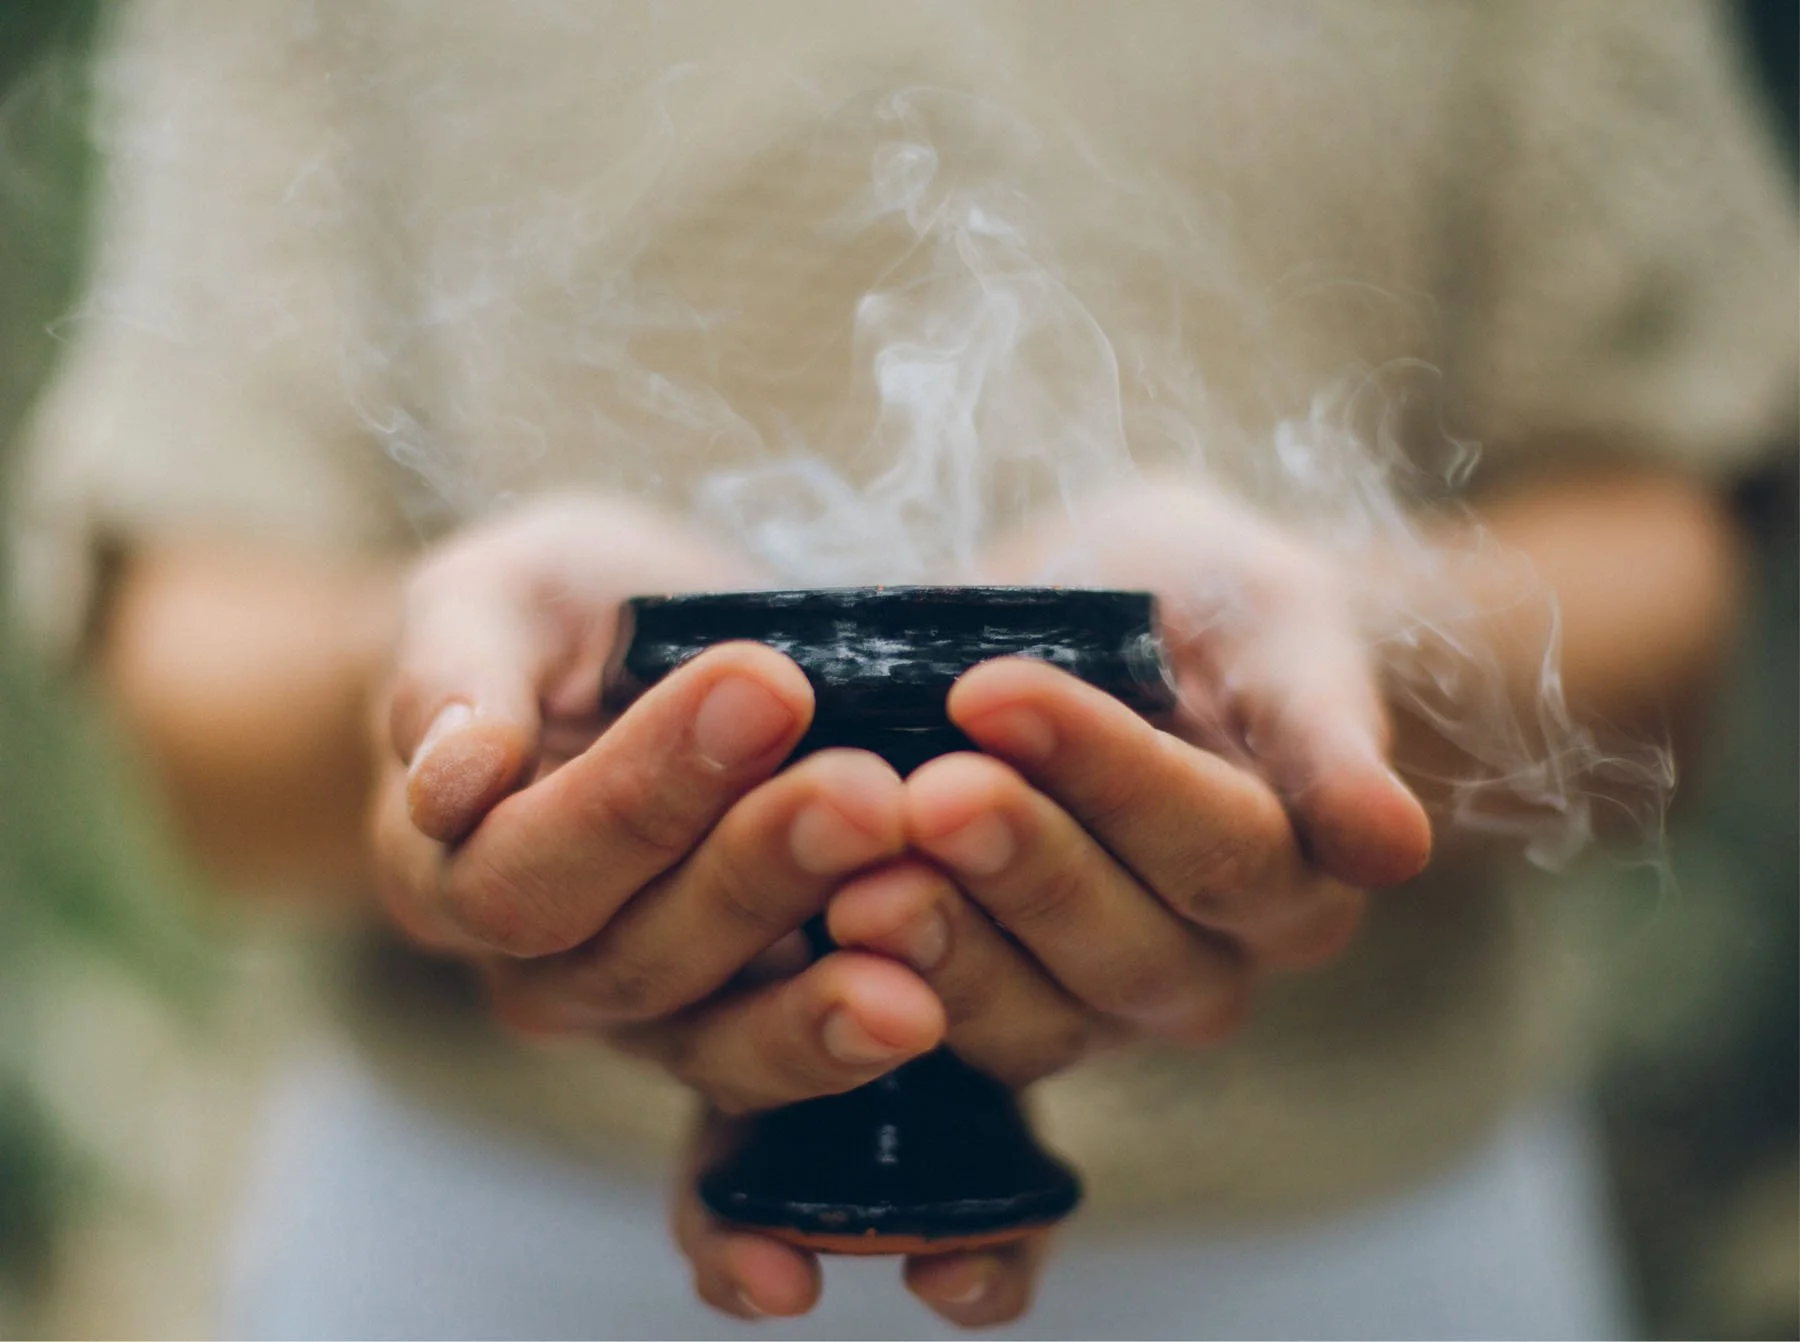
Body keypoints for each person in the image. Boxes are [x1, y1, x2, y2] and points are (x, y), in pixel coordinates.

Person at [9, 2, 1795, 1337]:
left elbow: (1662, 598)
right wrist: (434, 717)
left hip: (1357, 1258)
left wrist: (1335, 676)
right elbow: (201, 693)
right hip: (481, 1256)